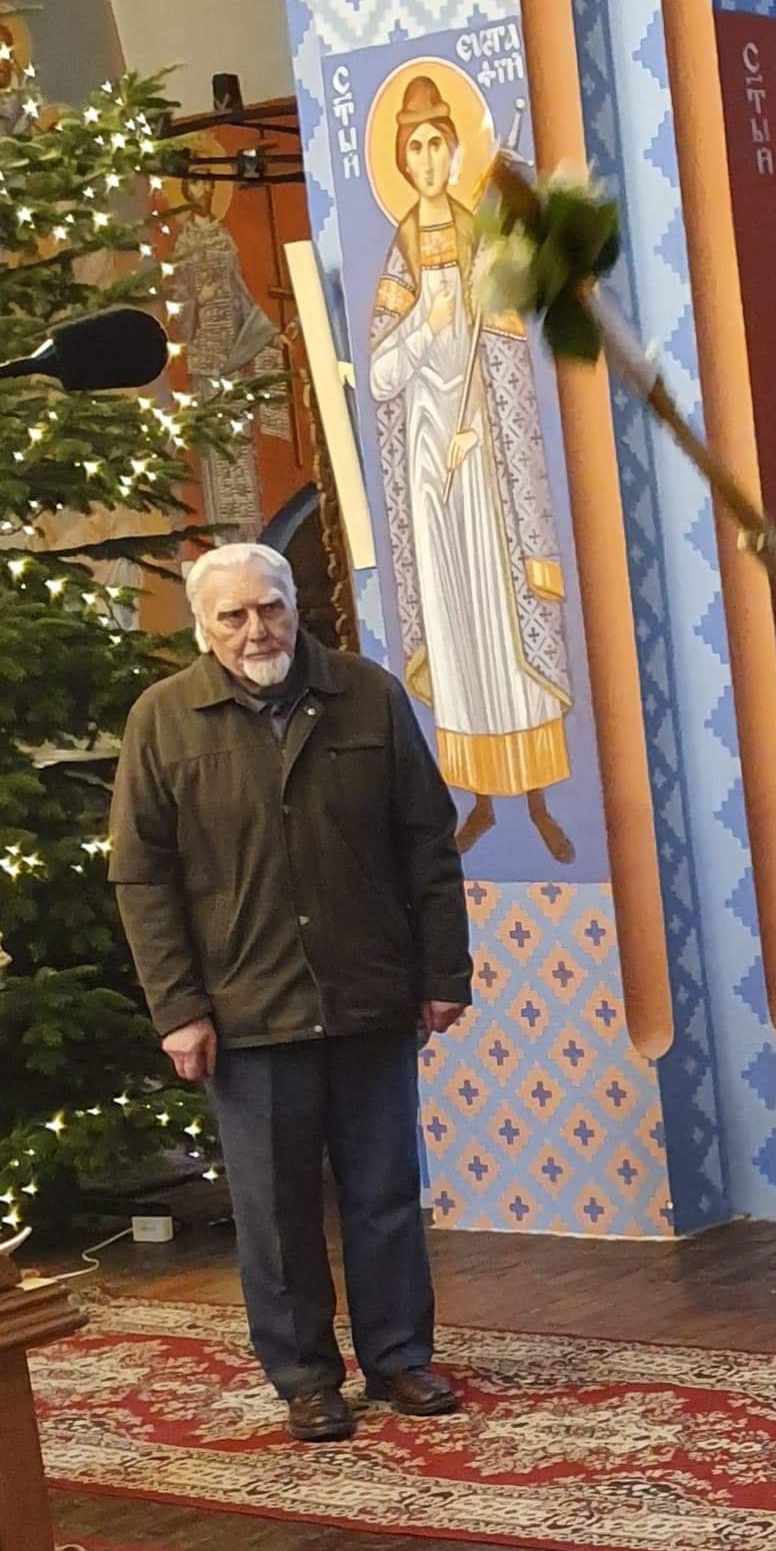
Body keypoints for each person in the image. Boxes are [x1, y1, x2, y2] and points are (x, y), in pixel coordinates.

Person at [109, 539, 471, 1444]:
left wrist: (443, 974)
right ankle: (305, 1378)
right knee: (275, 1214)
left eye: (268, 608)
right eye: (231, 616)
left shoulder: (368, 695)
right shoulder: (163, 719)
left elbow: (427, 842)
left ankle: (399, 1358)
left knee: (385, 1194)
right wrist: (178, 1010)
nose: (254, 630)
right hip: (246, 1012)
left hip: (370, 994)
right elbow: (142, 878)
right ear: (204, 627)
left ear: (295, 606)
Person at [368, 70, 576, 861]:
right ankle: (482, 802)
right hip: (430, 470)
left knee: (502, 618)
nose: (427, 159)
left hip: (486, 465)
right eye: (414, 148)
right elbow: (381, 375)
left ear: (454, 152)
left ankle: (540, 799)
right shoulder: (398, 257)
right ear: (402, 160)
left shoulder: (476, 238)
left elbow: (508, 358)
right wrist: (425, 324)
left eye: (437, 144)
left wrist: (479, 435)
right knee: (459, 633)